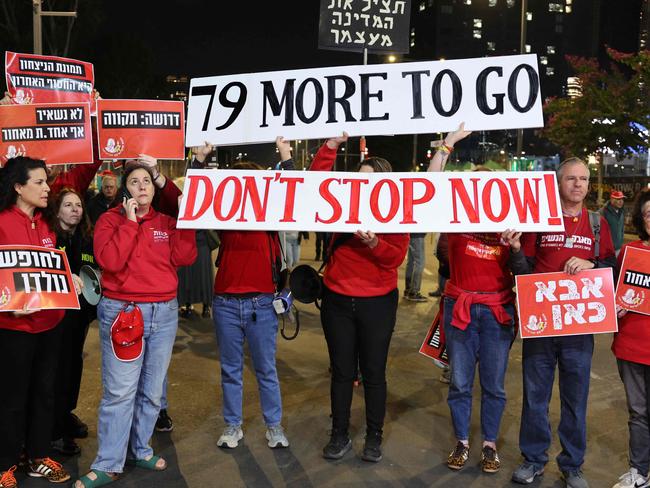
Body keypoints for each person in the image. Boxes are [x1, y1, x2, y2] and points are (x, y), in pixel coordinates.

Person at [74, 163, 196, 488]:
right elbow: (110, 261)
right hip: (123, 312)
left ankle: (140, 448)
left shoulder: (167, 223)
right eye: (134, 181)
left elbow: (185, 257)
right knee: (119, 392)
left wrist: (186, 222)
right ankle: (109, 462)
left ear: (154, 189)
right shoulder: (109, 220)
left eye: (147, 181)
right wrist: (129, 222)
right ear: (126, 188)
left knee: (153, 391)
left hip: (164, 314)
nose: (142, 186)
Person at [503, 157, 616, 488]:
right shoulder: (540, 220)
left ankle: (572, 464)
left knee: (575, 398)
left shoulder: (597, 223)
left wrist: (591, 261)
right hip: (542, 324)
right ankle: (534, 459)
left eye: (583, 179)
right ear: (558, 182)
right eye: (571, 178)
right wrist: (513, 250)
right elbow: (522, 269)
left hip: (578, 328)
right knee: (536, 395)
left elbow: (610, 265)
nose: (578, 184)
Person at [310, 133, 409, 463]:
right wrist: (330, 147)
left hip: (377, 303)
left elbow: (395, 258)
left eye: (369, 182)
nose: (362, 187)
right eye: (358, 181)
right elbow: (311, 187)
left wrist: (373, 244)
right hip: (337, 300)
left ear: (385, 185)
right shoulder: (342, 206)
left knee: (374, 373)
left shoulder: (396, 213)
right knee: (341, 373)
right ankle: (338, 433)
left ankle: (374, 436)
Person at [191, 138, 292, 451]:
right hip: (225, 303)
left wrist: (286, 155)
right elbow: (198, 196)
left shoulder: (269, 214)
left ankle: (273, 427)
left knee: (266, 369)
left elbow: (293, 191)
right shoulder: (224, 214)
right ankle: (232, 426)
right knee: (231, 370)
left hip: (261, 303)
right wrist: (198, 161)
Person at [426, 126, 517, 474]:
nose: (481, 192)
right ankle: (462, 442)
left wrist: (518, 246)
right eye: (474, 186)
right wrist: (448, 144)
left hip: (498, 312)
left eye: (488, 186)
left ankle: (490, 446)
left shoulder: (513, 222)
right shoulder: (454, 218)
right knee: (461, 383)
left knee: (494, 385)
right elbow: (430, 186)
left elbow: (523, 264)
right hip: (460, 308)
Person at [0, 157, 83, 486]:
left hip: (50, 326)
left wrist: (68, 279)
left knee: (45, 393)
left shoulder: (47, 224)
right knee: (12, 396)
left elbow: (49, 270)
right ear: (19, 188)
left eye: (47, 181)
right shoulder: (2, 222)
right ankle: (5, 461)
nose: (48, 188)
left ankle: (38, 455)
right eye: (39, 182)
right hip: (14, 329)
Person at [50, 188, 97, 456]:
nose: (75, 209)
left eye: (78, 205)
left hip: (78, 318)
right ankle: (53, 430)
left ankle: (66, 414)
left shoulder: (86, 238)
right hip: (55, 317)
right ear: (57, 210)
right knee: (54, 371)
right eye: (68, 205)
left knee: (72, 368)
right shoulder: (50, 238)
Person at [611, 189, 650, 488]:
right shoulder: (629, 253)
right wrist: (615, 307)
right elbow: (609, 293)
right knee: (638, 413)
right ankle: (639, 471)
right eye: (648, 214)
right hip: (631, 346)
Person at [601, 190, 626, 257]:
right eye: (618, 199)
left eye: (622, 199)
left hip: (619, 248)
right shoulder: (604, 212)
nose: (621, 201)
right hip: (607, 250)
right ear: (612, 200)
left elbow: (622, 229)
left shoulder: (621, 211)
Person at [404, 233, 427, 302]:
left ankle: (408, 289)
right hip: (418, 234)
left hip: (411, 234)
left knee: (411, 262)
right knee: (420, 263)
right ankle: (414, 292)